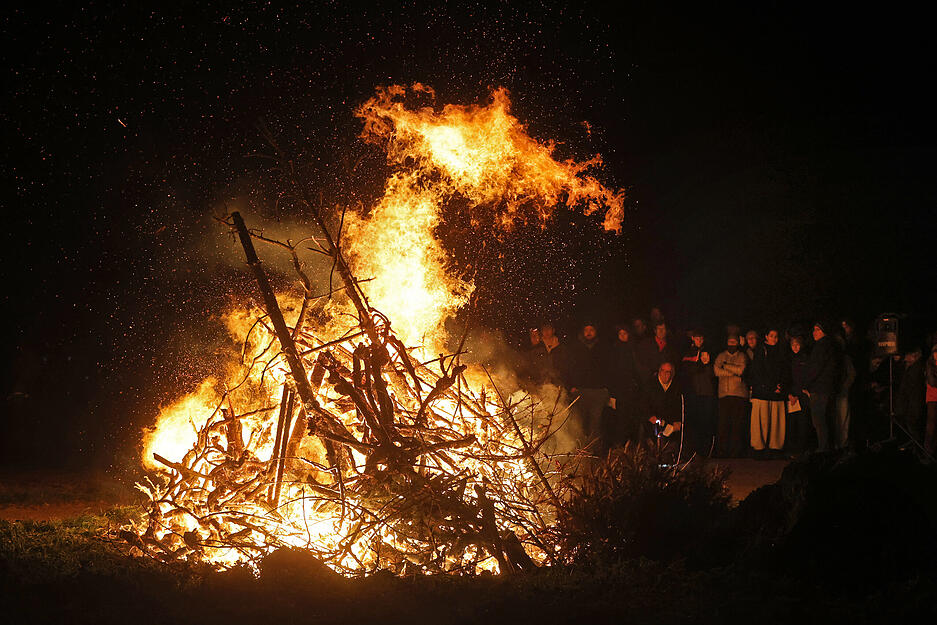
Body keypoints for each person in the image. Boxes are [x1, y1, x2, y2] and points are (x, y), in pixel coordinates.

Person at [566, 323, 610, 451]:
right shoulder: (576, 347)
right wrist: (571, 386)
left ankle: (593, 453)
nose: (589, 332)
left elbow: (609, 368)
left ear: (596, 331)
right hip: (580, 391)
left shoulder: (602, 347)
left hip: (598, 392)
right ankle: (579, 452)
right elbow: (569, 367)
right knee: (580, 424)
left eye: (591, 329)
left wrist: (606, 388)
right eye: (586, 330)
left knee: (596, 425)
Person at [802, 321, 843, 452]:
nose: (814, 332)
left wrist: (806, 384)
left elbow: (816, 368)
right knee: (826, 419)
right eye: (813, 329)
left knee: (819, 420)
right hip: (826, 388)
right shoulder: (830, 346)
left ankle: (823, 449)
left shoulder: (822, 346)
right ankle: (828, 447)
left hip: (819, 389)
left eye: (818, 330)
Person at [749, 328, 790, 458]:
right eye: (771, 336)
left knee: (776, 421)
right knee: (761, 421)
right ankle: (759, 448)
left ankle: (775, 448)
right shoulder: (761, 350)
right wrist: (771, 386)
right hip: (762, 392)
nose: (774, 338)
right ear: (766, 336)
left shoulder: (781, 352)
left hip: (777, 393)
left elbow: (785, 371)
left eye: (776, 336)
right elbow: (758, 371)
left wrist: (780, 386)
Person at [680, 329, 716, 456]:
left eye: (701, 338)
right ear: (692, 339)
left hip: (707, 392)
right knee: (693, 423)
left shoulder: (710, 352)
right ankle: (692, 450)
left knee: (706, 422)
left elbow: (713, 374)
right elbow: (687, 370)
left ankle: (705, 450)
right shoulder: (688, 353)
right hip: (693, 392)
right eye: (697, 338)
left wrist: (706, 364)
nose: (699, 340)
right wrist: (700, 364)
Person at [714, 335, 749, 457]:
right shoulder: (721, 356)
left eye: (734, 342)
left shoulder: (742, 356)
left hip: (739, 395)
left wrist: (725, 366)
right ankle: (722, 451)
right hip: (723, 394)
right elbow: (716, 371)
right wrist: (733, 371)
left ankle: (736, 452)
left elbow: (741, 370)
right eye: (730, 342)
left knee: (737, 425)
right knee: (723, 424)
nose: (732, 344)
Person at [607, 324, 642, 446]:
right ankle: (621, 447)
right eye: (620, 334)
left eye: (625, 333)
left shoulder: (633, 349)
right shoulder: (615, 350)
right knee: (621, 420)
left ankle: (633, 446)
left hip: (633, 391)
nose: (622, 336)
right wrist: (613, 395)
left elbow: (637, 370)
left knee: (633, 420)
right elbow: (612, 373)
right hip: (620, 392)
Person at [643, 361, 683, 460]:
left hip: (670, 422)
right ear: (659, 372)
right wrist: (649, 416)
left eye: (668, 372)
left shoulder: (676, 387)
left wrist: (677, 421)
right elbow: (644, 404)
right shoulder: (650, 385)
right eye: (663, 371)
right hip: (654, 421)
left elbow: (678, 406)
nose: (666, 374)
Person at [787, 335, 812, 454]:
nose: (795, 347)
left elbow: (806, 377)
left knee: (803, 423)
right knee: (792, 423)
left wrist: (800, 392)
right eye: (793, 345)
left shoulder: (806, 358)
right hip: (791, 396)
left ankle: (802, 449)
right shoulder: (788, 359)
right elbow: (787, 378)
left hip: (801, 395)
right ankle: (792, 450)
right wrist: (789, 394)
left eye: (797, 344)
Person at [925, 344, 937, 460]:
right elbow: (932, 382)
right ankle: (928, 452)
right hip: (933, 398)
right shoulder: (930, 364)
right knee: (931, 426)